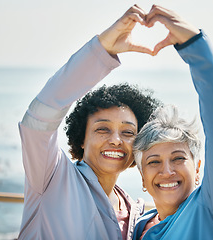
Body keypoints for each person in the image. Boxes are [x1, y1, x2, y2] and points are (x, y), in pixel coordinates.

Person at [18, 5, 160, 240]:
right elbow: (38, 119)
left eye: (128, 132)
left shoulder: (137, 213)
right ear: (81, 139)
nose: (115, 140)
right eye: (102, 129)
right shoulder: (51, 179)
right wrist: (101, 51)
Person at [132, 5, 213, 240]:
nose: (167, 171)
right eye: (154, 162)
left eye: (178, 158)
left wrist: (194, 45)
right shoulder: (139, 225)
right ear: (142, 177)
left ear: (197, 169)